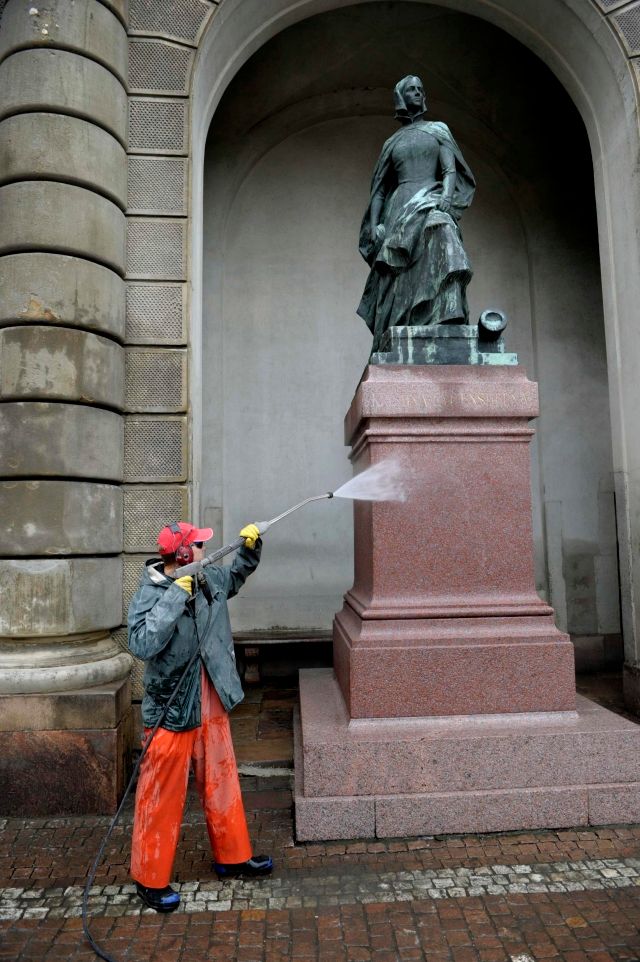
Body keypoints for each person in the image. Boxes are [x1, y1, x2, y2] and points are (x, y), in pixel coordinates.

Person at [127, 520, 272, 913]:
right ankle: (149, 879)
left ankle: (233, 856)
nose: (206, 551)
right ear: (184, 554)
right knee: (161, 795)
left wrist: (250, 549)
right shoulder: (150, 591)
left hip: (211, 699)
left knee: (222, 780)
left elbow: (236, 577)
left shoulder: (208, 579)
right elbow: (140, 643)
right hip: (172, 711)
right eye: (200, 546)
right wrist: (174, 598)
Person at [358, 75, 476, 353]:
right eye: (411, 90)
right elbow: (379, 190)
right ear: (400, 96)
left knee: (443, 232)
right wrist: (375, 225)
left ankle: (448, 314)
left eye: (420, 90)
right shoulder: (392, 142)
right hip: (398, 206)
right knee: (398, 266)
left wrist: (446, 197)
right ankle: (402, 323)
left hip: (432, 198)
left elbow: (450, 170)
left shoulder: (438, 130)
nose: (417, 93)